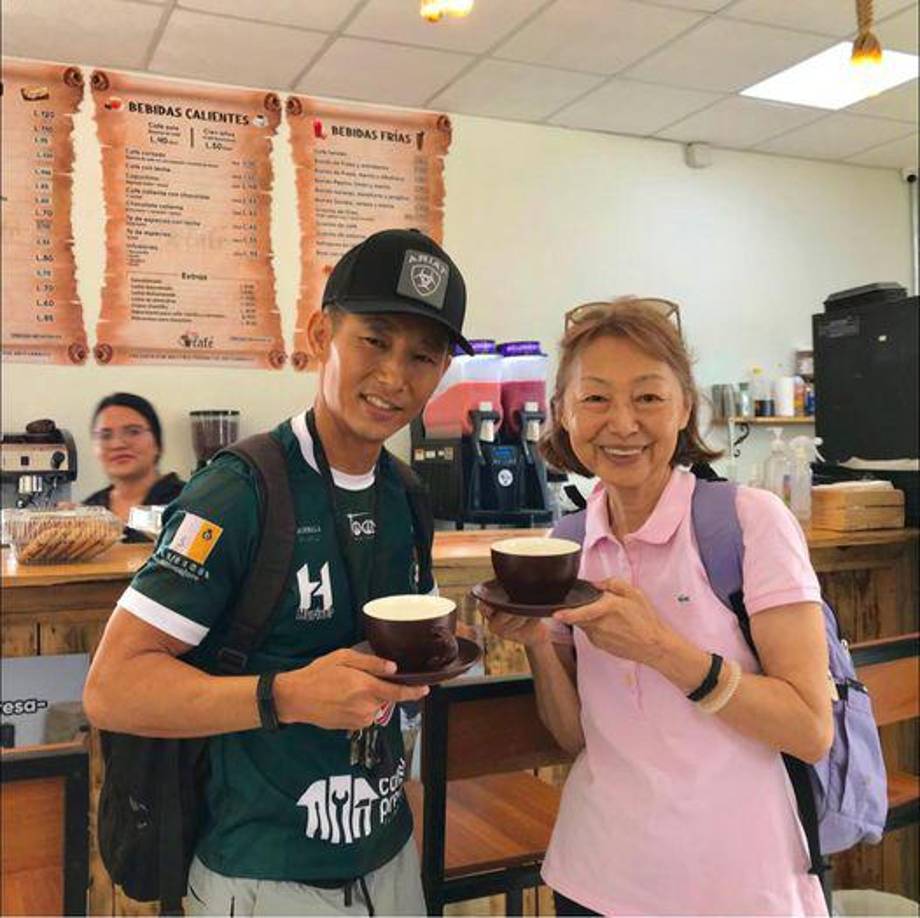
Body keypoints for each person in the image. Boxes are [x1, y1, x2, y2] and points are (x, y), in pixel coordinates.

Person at [83, 229, 473, 915]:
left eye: (423, 355)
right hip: (259, 876)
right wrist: (287, 696)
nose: (394, 376)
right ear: (323, 333)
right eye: (374, 340)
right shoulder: (239, 492)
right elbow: (114, 690)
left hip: (389, 857)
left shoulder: (407, 495)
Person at [481, 298, 833, 916]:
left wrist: (660, 648)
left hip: (734, 888)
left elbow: (809, 729)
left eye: (648, 397)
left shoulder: (747, 524)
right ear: (562, 411)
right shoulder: (569, 545)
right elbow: (574, 737)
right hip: (594, 880)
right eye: (594, 399)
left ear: (684, 407)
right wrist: (535, 641)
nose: (621, 423)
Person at [84, 393, 185, 542]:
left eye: (133, 432)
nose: (118, 444)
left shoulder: (187, 502)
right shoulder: (89, 510)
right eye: (105, 436)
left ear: (157, 443)